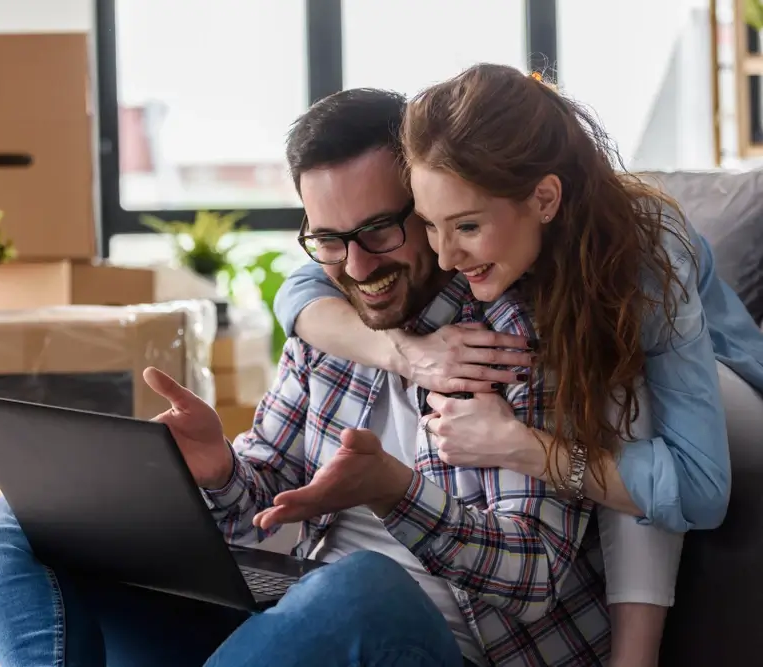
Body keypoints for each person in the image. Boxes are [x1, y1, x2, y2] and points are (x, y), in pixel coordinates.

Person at [0, 84, 639, 667]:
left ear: (429, 204)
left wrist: (394, 491)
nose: (354, 265)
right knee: (13, 520)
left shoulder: (516, 335)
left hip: (451, 643)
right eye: (327, 238)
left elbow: (535, 576)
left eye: (378, 229)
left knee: (362, 586)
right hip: (297, 624)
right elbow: (258, 505)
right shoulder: (331, 326)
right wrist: (219, 472)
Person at [260, 65, 737, 667]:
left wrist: (523, 446)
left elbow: (696, 491)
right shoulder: (460, 199)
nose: (443, 255)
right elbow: (301, 289)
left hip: (727, 376)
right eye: (429, 226)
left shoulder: (641, 265)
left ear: (543, 200)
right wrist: (407, 352)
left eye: (464, 228)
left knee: (621, 398)